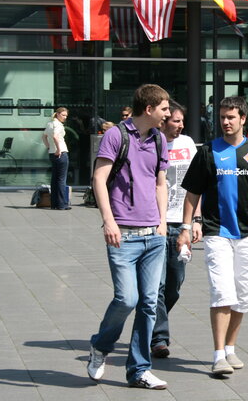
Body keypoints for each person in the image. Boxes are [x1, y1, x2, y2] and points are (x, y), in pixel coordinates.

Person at [180, 96, 248, 376]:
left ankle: (231, 349)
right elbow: (193, 191)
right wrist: (188, 227)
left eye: (231, 117)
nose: (225, 122)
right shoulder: (209, 151)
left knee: (243, 295)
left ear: (243, 119)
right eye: (222, 117)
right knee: (222, 292)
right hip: (217, 232)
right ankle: (218, 354)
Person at [87, 84, 170, 390]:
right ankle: (100, 346)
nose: (168, 114)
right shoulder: (116, 136)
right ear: (148, 109)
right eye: (164, 108)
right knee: (127, 299)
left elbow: (161, 183)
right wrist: (108, 221)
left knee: (149, 303)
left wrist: (162, 223)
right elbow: (99, 178)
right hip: (122, 233)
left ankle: (139, 370)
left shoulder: (160, 140)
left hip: (154, 236)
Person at [151, 101, 202, 359]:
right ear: (164, 121)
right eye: (176, 121)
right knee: (156, 286)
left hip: (181, 223)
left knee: (174, 285)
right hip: (156, 224)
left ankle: (149, 319)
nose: (181, 125)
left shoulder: (188, 144)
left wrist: (196, 220)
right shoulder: (151, 143)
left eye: (182, 121)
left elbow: (197, 184)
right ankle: (159, 338)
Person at [42, 107, 70, 210]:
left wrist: (49, 147)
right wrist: (58, 149)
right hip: (61, 152)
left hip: (52, 153)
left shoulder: (50, 123)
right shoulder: (58, 125)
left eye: (66, 115)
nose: (65, 117)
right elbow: (55, 136)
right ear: (57, 114)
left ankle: (54, 204)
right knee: (61, 179)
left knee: (54, 179)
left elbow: (44, 136)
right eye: (63, 115)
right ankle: (62, 204)